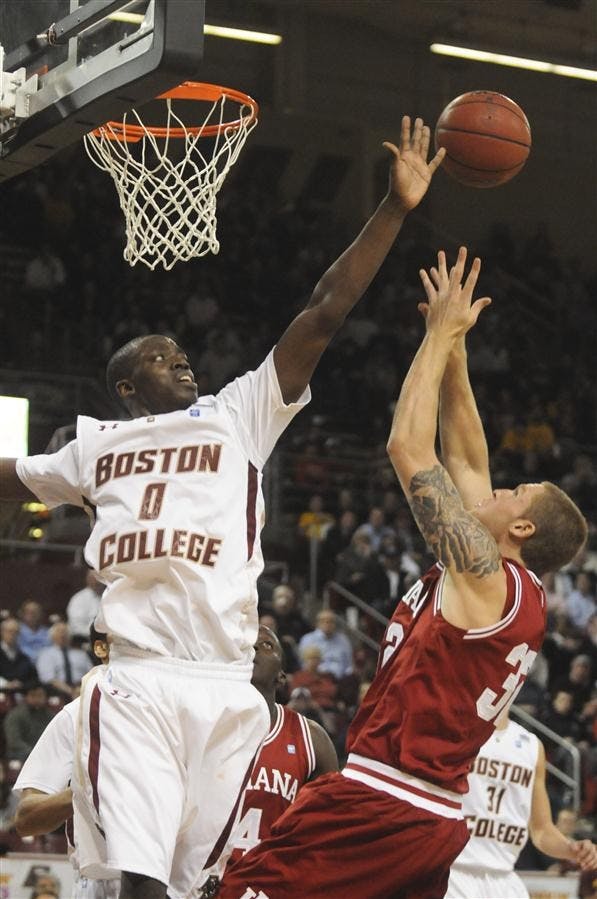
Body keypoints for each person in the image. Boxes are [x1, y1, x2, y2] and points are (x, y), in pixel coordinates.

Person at [0, 114, 445, 899]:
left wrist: (393, 209)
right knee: (137, 878)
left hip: (227, 682)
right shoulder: (92, 444)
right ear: (126, 388)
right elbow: (10, 476)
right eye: (157, 356)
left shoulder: (237, 412)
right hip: (136, 676)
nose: (180, 358)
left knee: (201, 884)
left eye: (181, 351)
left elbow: (322, 311)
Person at [217, 247, 588, 899]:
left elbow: (408, 447)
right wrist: (455, 350)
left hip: (385, 797)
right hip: (434, 813)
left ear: (522, 529)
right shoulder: (508, 585)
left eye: (517, 491)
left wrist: (437, 335)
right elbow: (465, 454)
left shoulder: (481, 570)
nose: (500, 488)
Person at [197, 625, 338, 897]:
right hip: (201, 883)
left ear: (282, 676)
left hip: (272, 886)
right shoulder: (201, 727)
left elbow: (329, 831)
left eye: (267, 646)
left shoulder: (310, 739)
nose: (254, 650)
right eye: (246, 645)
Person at [13, 628, 121, 899]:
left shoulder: (173, 713)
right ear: (101, 648)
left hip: (168, 879)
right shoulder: (74, 717)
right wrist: (86, 791)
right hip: (100, 881)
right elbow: (26, 818)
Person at [445, 709, 597, 898]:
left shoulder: (532, 746)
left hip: (505, 878)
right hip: (454, 873)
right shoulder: (454, 732)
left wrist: (572, 850)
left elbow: (542, 831)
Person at [36, 621, 93, 699]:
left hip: (81, 690)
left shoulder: (81, 654)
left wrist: (80, 689)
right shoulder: (46, 654)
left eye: (65, 632)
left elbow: (91, 674)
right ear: (52, 636)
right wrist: (70, 691)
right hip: (57, 692)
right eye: (59, 632)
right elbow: (49, 679)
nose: (62, 635)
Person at [3, 680, 54, 762]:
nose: (37, 699)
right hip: (22, 756)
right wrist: (35, 753)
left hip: (45, 755)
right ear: (26, 697)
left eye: (40, 695)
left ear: (45, 697)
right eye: (33, 695)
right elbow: (14, 742)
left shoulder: (51, 716)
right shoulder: (15, 715)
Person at [298, 610, 354, 679]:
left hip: (340, 680)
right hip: (316, 679)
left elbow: (349, 665)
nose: (328, 624)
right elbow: (303, 664)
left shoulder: (343, 640)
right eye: (324, 621)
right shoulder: (308, 639)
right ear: (317, 623)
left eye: (331, 621)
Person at [0, 616, 37, 689]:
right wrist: (6, 684)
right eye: (10, 631)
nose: (13, 635)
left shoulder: (23, 657)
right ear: (2, 632)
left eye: (16, 632)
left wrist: (22, 685)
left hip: (20, 693)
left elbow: (34, 679)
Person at [67, 570, 104, 642]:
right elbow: (76, 626)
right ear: (88, 580)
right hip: (85, 640)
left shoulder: (110, 596)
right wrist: (96, 634)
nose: (97, 582)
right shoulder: (79, 599)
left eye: (99, 579)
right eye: (93, 578)